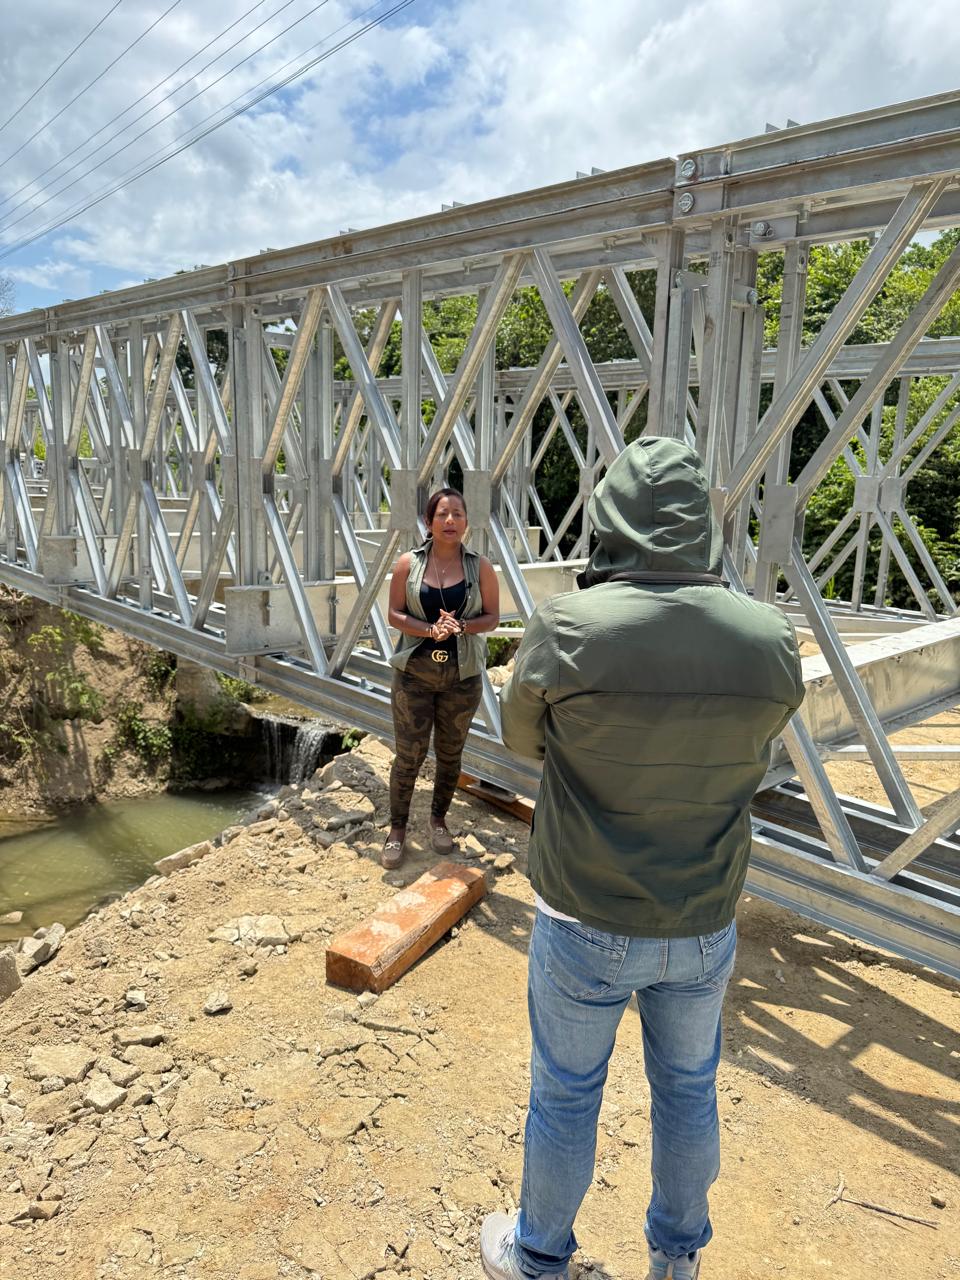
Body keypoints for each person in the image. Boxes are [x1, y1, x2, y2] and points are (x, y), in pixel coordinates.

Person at [480, 438, 804, 1280]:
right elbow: (761, 744)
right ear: (704, 522)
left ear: (611, 516)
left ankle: (540, 1257)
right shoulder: (769, 638)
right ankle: (676, 1260)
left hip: (584, 913)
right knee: (689, 1091)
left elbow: (521, 739)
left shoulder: (569, 625)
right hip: (703, 917)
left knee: (565, 1093)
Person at [383, 488, 500, 868]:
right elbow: (394, 614)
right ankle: (397, 830)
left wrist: (461, 626)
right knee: (408, 756)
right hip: (414, 677)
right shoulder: (408, 563)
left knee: (450, 755)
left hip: (461, 678)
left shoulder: (480, 567)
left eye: (458, 514)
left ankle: (438, 821)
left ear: (466, 522)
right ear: (428, 521)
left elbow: (492, 618)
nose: (450, 520)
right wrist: (429, 630)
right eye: (442, 514)